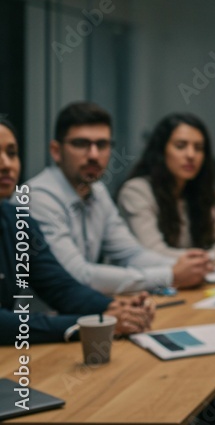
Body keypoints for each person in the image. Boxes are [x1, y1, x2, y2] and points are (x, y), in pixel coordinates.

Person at [21, 102, 211, 295]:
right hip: (40, 321)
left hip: (86, 312)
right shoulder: (37, 197)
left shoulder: (98, 191)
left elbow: (130, 254)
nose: (94, 155)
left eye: (102, 145)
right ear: (56, 151)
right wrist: (170, 275)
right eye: (81, 144)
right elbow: (78, 276)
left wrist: (191, 266)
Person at [0, 117, 154, 344]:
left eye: (12, 153)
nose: (6, 164)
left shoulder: (15, 218)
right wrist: (94, 323)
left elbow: (59, 285)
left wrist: (115, 308)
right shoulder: (37, 198)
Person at [117, 113, 215, 267]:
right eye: (180, 146)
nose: (191, 155)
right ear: (161, 151)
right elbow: (154, 254)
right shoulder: (136, 192)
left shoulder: (196, 191)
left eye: (199, 148)